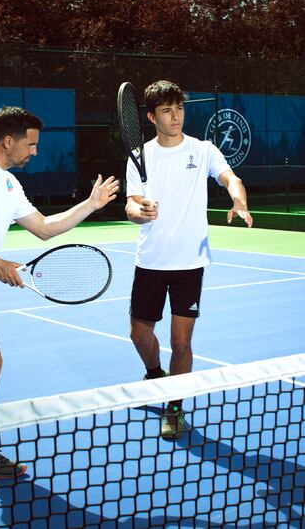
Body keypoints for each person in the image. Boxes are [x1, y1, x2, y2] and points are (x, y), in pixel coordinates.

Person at [0, 105, 119, 477]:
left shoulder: (10, 183)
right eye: (30, 144)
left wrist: (90, 205)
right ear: (8, 141)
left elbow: (45, 227)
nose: (35, 151)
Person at [125, 80, 252, 440]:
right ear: (151, 116)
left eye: (179, 108)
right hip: (150, 261)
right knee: (139, 334)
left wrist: (238, 199)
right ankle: (154, 375)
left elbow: (231, 178)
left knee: (181, 343)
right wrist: (140, 212)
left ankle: (174, 407)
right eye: (166, 110)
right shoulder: (140, 155)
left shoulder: (204, 149)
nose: (176, 115)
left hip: (189, 263)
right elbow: (131, 204)